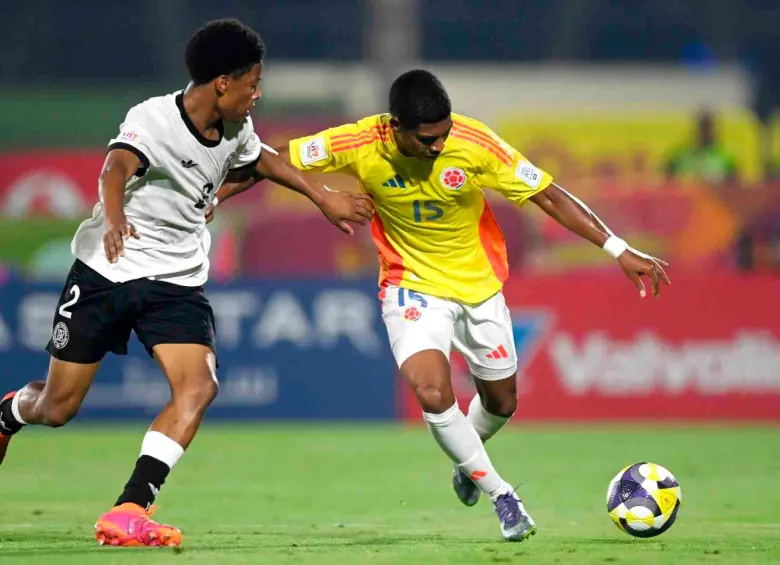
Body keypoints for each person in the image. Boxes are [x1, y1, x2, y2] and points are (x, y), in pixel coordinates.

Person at [209, 69, 670, 542]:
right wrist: (217, 194)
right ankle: (501, 495)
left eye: (443, 135)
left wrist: (618, 248)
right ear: (395, 127)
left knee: (502, 402)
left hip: (479, 290)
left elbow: (548, 194)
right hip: (410, 287)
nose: (438, 146)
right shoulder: (359, 141)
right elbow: (270, 159)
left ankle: (468, 463)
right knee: (432, 391)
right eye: (427, 139)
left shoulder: (474, 144)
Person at [0, 19, 372, 548]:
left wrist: (322, 195)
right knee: (57, 408)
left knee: (199, 386)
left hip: (175, 281)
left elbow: (262, 161)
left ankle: (130, 507)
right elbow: (114, 169)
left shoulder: (238, 126)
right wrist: (111, 219)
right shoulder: (153, 118)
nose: (257, 94)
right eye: (252, 83)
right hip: (108, 271)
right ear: (223, 82)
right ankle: (9, 413)